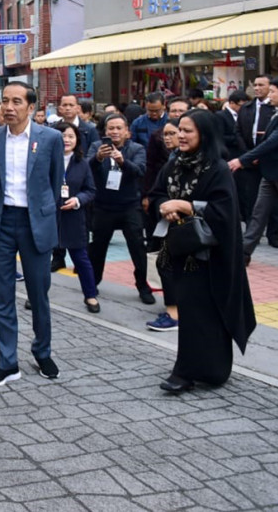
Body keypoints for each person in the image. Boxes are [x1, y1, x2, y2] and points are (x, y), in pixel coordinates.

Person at [148, 110, 256, 392]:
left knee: (210, 313)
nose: (180, 136)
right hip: (182, 251)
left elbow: (226, 211)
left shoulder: (217, 169)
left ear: (204, 135)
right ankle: (188, 369)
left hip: (211, 257)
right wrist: (164, 207)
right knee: (191, 311)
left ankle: (208, 370)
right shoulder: (173, 165)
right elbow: (158, 193)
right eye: (178, 130)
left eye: (188, 131)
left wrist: (187, 206)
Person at [0, 82, 64, 387]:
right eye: (4, 101)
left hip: (35, 222)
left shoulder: (51, 138)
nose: (9, 107)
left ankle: (43, 352)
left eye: (17, 101)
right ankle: (7, 361)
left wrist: (41, 212)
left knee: (38, 294)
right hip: (2, 222)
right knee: (1, 296)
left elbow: (55, 184)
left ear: (31, 107)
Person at [230, 76, 278, 267]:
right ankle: (244, 252)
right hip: (271, 171)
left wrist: (242, 160)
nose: (269, 95)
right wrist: (254, 157)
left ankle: (244, 251)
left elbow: (273, 141)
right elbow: (268, 140)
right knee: (258, 213)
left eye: (272, 91)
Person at [88, 113, 154, 305]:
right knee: (98, 249)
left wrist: (122, 161)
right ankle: (92, 284)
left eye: (119, 128)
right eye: (111, 128)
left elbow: (140, 171)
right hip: (102, 207)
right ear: (105, 131)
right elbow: (87, 168)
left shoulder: (136, 149)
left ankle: (143, 286)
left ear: (127, 132)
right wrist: (98, 158)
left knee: (137, 248)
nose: (114, 132)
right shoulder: (96, 147)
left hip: (129, 207)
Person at [51, 94, 101, 271]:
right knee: (57, 220)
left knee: (82, 223)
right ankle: (58, 257)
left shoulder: (89, 129)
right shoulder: (54, 129)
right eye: (64, 104)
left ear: (78, 107)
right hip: (60, 180)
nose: (68, 108)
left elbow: (95, 150)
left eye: (71, 105)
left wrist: (81, 165)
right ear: (59, 108)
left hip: (81, 178)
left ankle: (80, 259)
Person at [53, 122, 99, 313]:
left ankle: (90, 295)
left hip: (74, 216)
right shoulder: (46, 160)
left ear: (77, 139)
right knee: (41, 259)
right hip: (49, 216)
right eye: (62, 136)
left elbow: (90, 190)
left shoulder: (83, 163)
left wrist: (78, 200)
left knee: (81, 258)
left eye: (71, 136)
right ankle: (36, 295)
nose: (67, 140)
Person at [235, 75, 278, 248]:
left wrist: (260, 155)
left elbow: (276, 138)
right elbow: (238, 132)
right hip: (249, 160)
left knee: (274, 200)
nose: (257, 88)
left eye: (261, 85)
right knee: (251, 198)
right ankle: (251, 231)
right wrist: (248, 154)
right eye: (255, 85)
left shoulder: (276, 110)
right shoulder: (246, 108)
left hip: (269, 160)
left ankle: (274, 234)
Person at [145, 118, 183, 332]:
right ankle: (173, 310)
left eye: (173, 133)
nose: (168, 138)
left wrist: (182, 206)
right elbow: (157, 191)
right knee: (164, 262)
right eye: (165, 134)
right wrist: (164, 206)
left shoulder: (206, 161)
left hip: (190, 226)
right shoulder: (171, 160)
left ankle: (175, 313)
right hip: (167, 222)